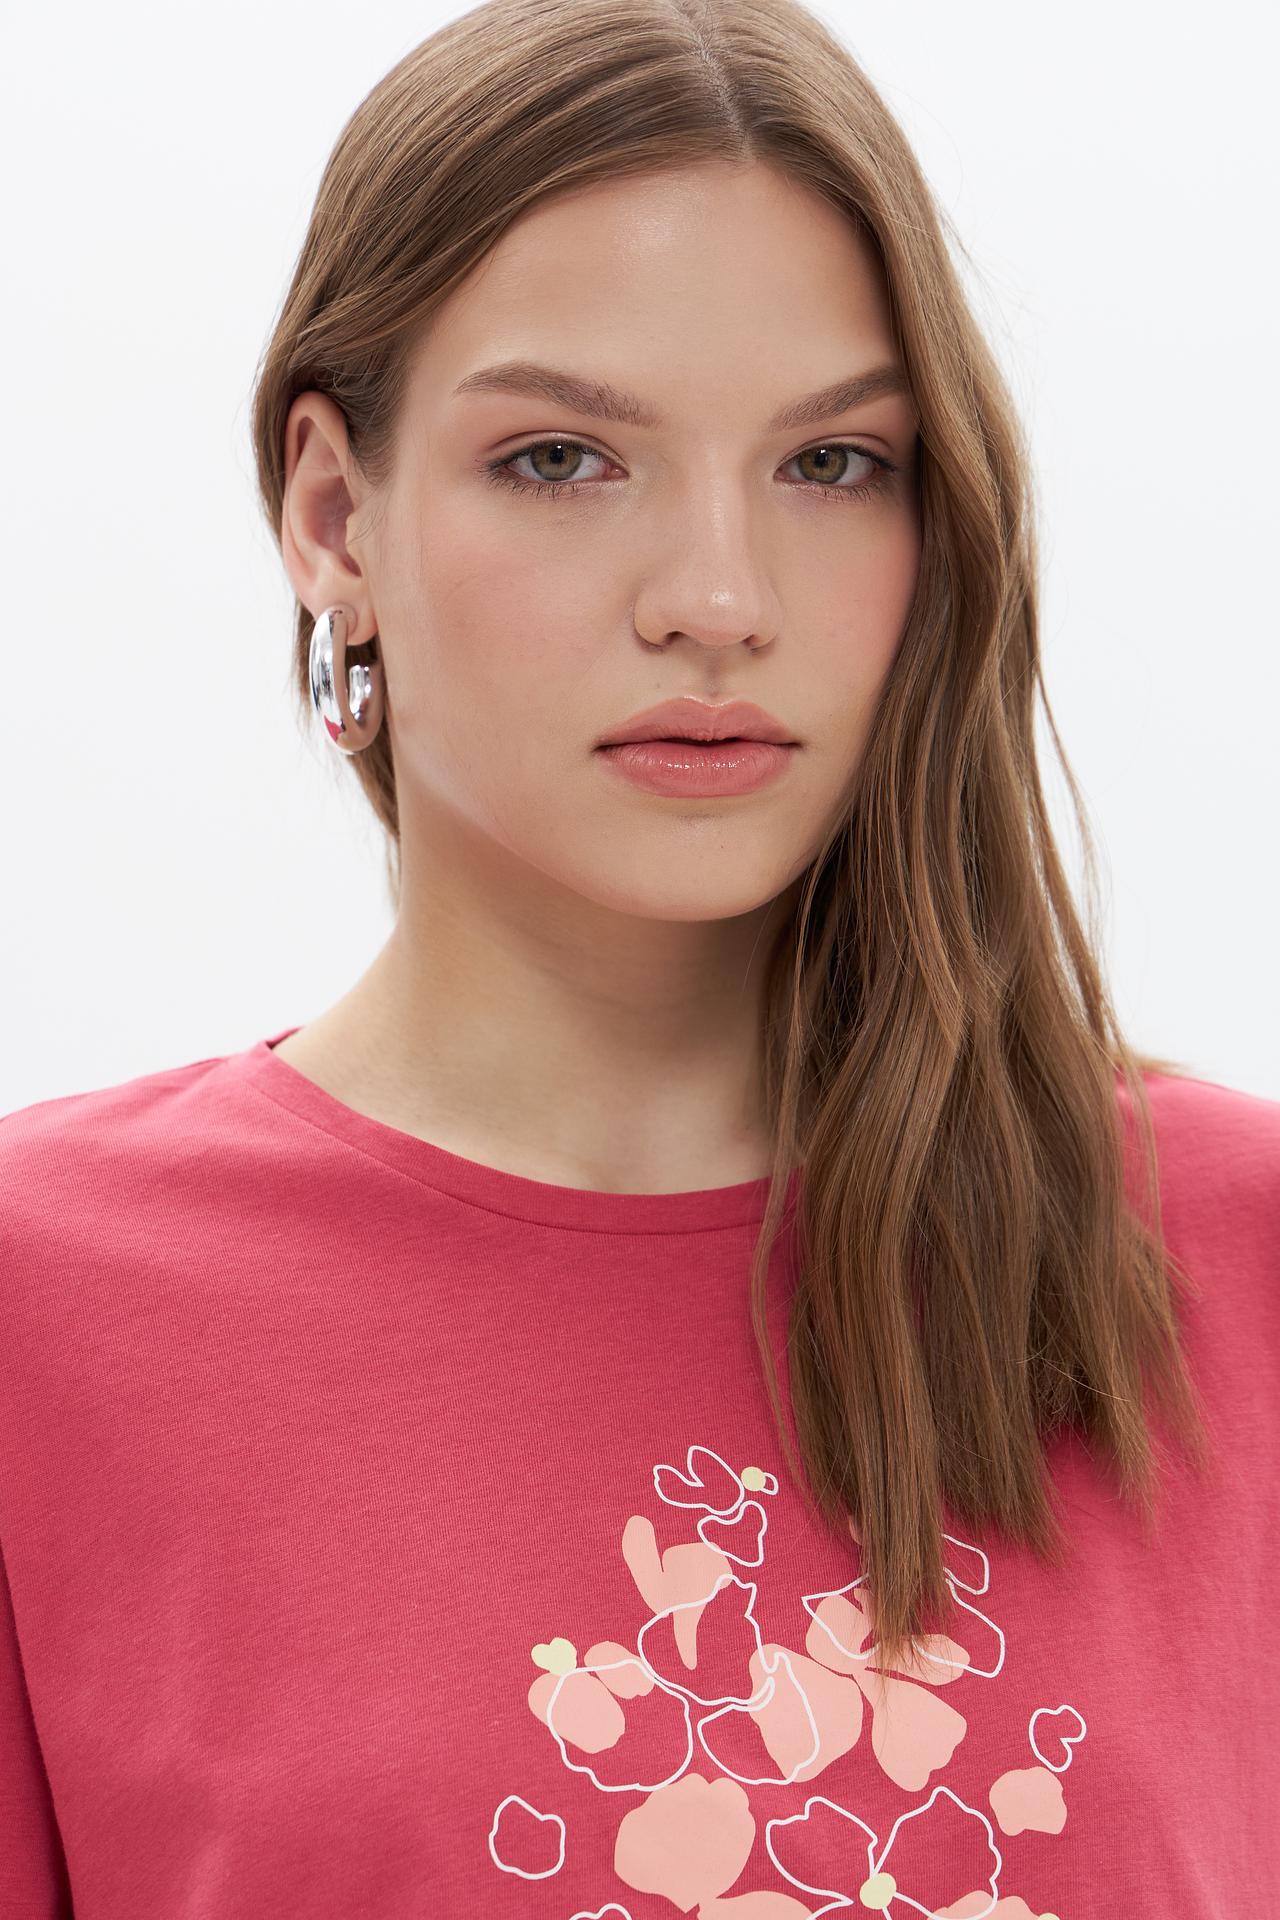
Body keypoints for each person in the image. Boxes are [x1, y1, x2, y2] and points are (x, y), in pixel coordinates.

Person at [2, 0, 1277, 1913]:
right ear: (333, 514)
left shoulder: (1236, 1258)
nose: (718, 600)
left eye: (831, 463)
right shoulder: (41, 1319)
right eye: (563, 458)